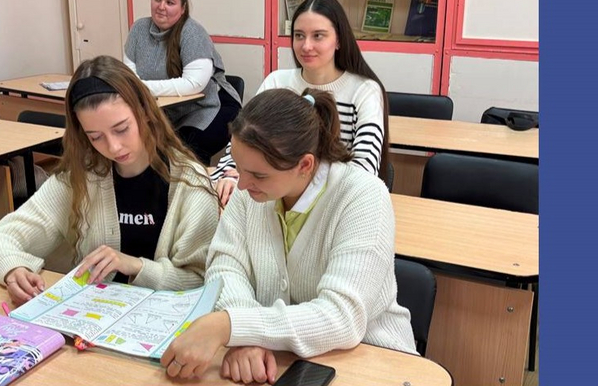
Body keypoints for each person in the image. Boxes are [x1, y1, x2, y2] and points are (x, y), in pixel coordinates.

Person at [160, 88, 416, 383]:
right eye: (240, 169)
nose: (242, 185)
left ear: (305, 165)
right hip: (280, 362)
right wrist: (246, 336)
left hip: (375, 362)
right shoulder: (251, 189)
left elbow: (341, 316)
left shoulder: (363, 196)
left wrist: (230, 326)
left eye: (259, 175)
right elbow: (225, 265)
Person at [0, 55, 220, 306]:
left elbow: (198, 280)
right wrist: (13, 269)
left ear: (145, 112)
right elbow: (0, 239)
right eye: (95, 137)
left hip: (164, 317)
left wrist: (136, 266)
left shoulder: (189, 183)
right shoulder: (80, 178)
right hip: (94, 316)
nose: (113, 147)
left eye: (122, 129)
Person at [213, 0, 390, 205]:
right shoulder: (277, 81)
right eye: (299, 35)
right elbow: (243, 139)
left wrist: (299, 188)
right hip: (272, 199)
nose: (306, 46)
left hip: (334, 203)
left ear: (339, 40)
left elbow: (364, 168)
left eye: (318, 36)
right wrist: (229, 176)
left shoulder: (364, 90)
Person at [123, 0, 242, 166]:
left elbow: (193, 84)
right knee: (134, 142)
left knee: (184, 152)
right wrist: (138, 87)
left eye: (170, 2)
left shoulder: (193, 33)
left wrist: (142, 87)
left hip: (208, 107)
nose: (161, 7)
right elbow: (128, 75)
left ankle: (193, 185)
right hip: (165, 111)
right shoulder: (139, 29)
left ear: (183, 7)